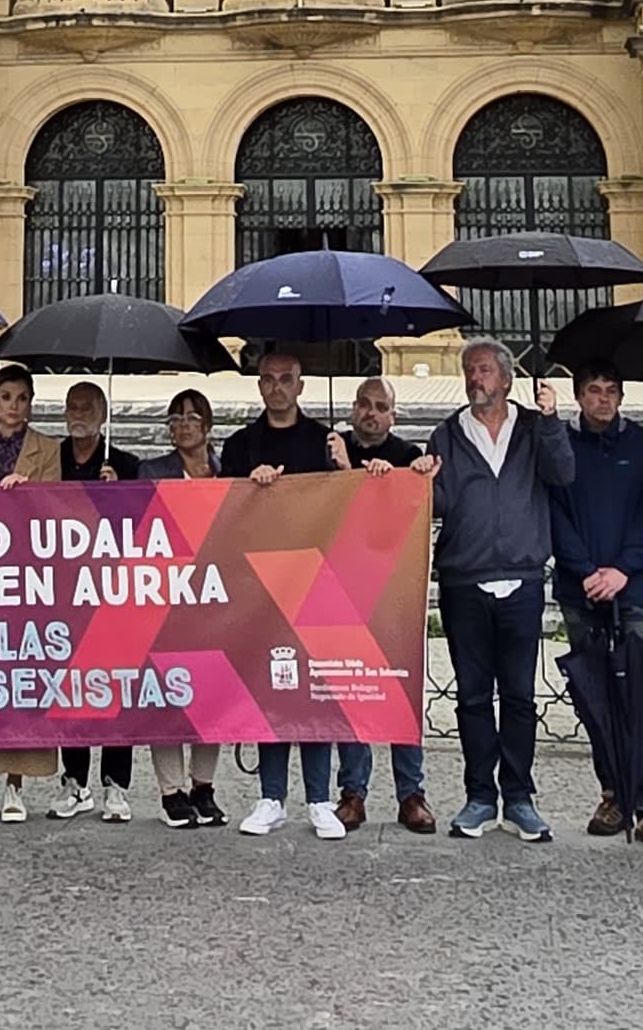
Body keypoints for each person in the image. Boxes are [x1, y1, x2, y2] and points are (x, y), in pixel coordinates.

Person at [420, 337, 573, 841]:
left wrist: (550, 421)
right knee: (471, 697)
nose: (475, 378)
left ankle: (520, 797)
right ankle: (480, 797)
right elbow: (439, 505)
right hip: (464, 581)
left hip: (522, 579)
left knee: (520, 696)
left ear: (507, 379)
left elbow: (563, 474)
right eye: (469, 369)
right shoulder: (446, 435)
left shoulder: (532, 428)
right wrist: (424, 481)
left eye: (484, 369)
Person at [220, 345, 353, 836]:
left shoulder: (325, 441)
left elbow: (353, 505)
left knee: (314, 692)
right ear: (259, 385)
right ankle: (270, 796)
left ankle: (319, 798)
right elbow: (223, 512)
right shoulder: (240, 445)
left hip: (317, 583)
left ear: (301, 385)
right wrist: (249, 487)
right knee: (269, 689)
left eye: (286, 379)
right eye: (269, 379)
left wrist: (345, 467)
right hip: (259, 586)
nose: (277, 387)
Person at [552, 365, 643, 849]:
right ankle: (612, 792)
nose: (602, 399)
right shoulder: (561, 445)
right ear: (578, 396)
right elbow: (554, 514)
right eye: (593, 391)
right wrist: (586, 570)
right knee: (596, 697)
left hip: (633, 588)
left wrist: (623, 569)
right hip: (580, 587)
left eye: (611, 391)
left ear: (622, 396)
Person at [333, 376, 437, 835]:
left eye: (381, 407)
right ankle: (352, 793)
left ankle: (411, 794)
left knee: (400, 690)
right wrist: (345, 472)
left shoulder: (407, 456)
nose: (371, 413)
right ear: (353, 407)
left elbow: (413, 513)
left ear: (393, 416)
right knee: (351, 691)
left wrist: (394, 480)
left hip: (395, 591)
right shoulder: (332, 449)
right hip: (341, 587)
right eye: (364, 404)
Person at [0, 363, 64, 822]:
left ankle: (14, 785)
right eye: (6, 397)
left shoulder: (48, 449)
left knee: (19, 677)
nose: (14, 406)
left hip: (25, 577)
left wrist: (31, 493)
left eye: (22, 398)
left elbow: (58, 505)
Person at [49, 380, 147, 823]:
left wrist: (120, 493)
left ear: (104, 415)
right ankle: (74, 781)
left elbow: (146, 524)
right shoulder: (52, 460)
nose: (79, 414)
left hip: (112, 592)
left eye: (87, 407)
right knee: (70, 687)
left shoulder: (125, 464)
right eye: (72, 406)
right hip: (62, 590)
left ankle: (116, 784)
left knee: (115, 688)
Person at [136, 387, 229, 831]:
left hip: (216, 596)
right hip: (166, 597)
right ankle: (171, 791)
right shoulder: (152, 471)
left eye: (192, 417)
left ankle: (203, 786)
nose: (183, 425)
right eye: (175, 418)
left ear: (207, 426)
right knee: (167, 693)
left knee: (212, 694)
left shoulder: (229, 472)